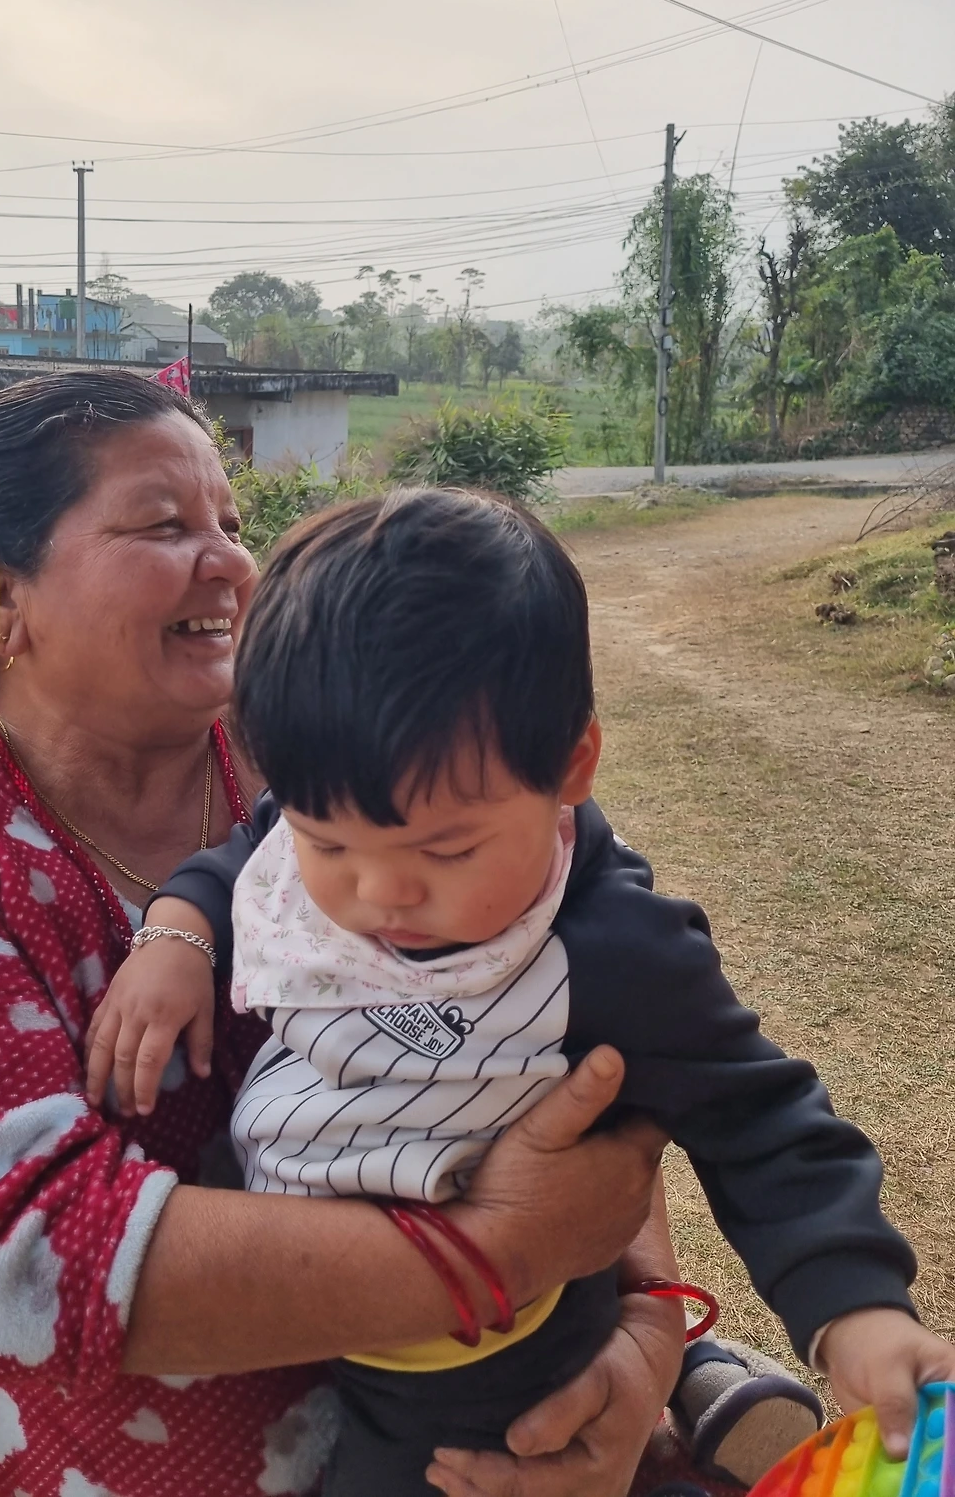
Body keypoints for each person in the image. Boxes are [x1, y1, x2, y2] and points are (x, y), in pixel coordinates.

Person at [0, 371, 689, 1497]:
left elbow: (572, 979)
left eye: (229, 521)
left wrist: (648, 1328)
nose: (228, 559)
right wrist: (498, 1251)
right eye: (163, 524)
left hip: (495, 1438)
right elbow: (7, 1267)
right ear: (0, 599)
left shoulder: (321, 749)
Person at [86, 486, 955, 1497]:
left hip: (480, 1369)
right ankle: (704, 1394)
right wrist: (179, 932)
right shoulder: (328, 809)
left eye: (446, 851)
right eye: (332, 846)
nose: (379, 895)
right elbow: (249, 856)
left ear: (571, 764)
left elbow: (762, 1120)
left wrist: (854, 1307)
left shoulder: (610, 946)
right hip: (315, 1296)